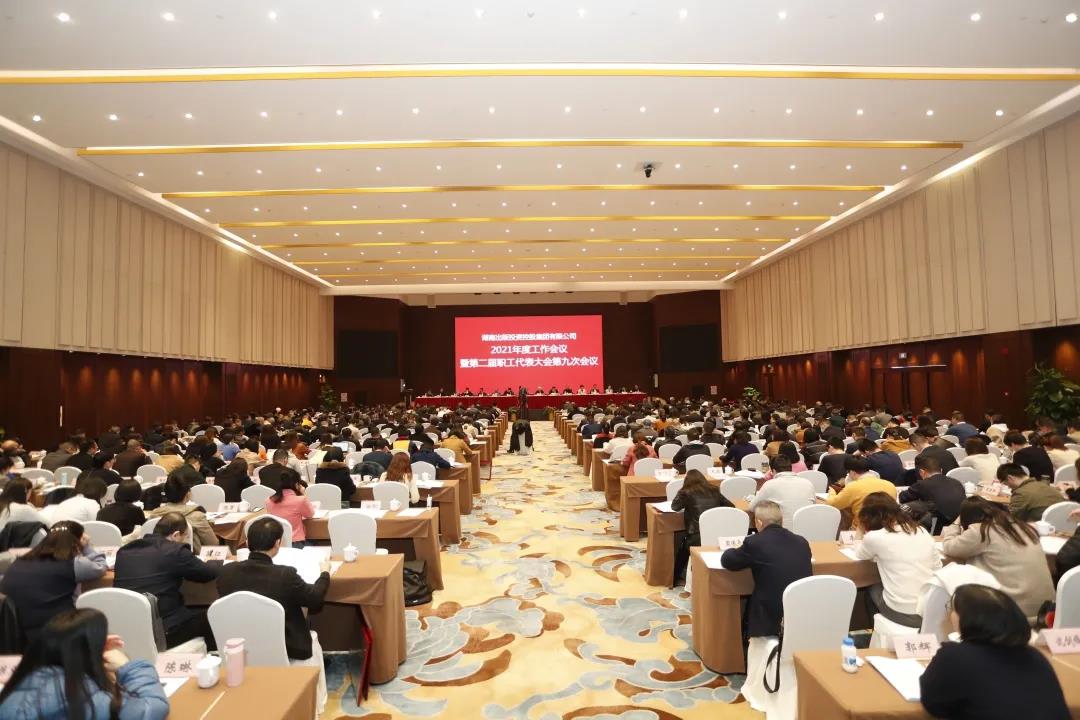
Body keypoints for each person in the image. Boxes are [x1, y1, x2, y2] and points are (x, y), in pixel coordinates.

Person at [216, 516, 330, 710]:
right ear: (278, 543)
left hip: (239, 646)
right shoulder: (285, 575)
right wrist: (324, 573)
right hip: (288, 646)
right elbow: (315, 598)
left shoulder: (226, 572)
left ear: (248, 543)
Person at [919, 585, 1069, 720]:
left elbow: (933, 704)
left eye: (953, 609)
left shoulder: (954, 656)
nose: (950, 614)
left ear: (967, 618)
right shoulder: (1036, 656)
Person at [0, 608, 169, 720]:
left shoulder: (17, 689)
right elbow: (152, 708)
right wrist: (128, 666)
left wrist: (93, 651)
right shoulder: (82, 698)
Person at [113, 512, 220, 649]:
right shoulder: (175, 551)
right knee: (212, 616)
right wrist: (214, 562)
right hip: (164, 630)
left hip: (128, 628)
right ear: (176, 535)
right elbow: (207, 574)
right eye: (185, 537)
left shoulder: (124, 551)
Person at [941, 497, 1054, 618]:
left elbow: (949, 547)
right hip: (1047, 611)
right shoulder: (1023, 527)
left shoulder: (982, 530)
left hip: (1013, 611)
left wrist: (956, 523)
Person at [719, 501, 812, 639]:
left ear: (759, 522)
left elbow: (728, 561)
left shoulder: (755, 543)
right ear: (781, 520)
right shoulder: (802, 541)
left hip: (770, 615)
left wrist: (732, 548)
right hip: (801, 608)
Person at [0, 522, 107, 641]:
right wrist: (86, 546)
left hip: (13, 631)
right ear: (75, 542)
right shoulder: (70, 563)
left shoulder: (20, 561)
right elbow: (100, 566)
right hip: (53, 632)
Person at [856, 493, 940, 626]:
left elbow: (860, 554)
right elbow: (938, 567)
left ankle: (876, 630)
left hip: (903, 613)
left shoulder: (875, 537)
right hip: (931, 611)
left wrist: (859, 532)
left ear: (868, 515)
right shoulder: (921, 531)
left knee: (871, 588)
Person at [670, 469, 732, 579]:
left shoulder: (686, 492)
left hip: (696, 535)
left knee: (682, 549)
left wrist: (682, 490)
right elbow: (731, 506)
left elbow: (674, 507)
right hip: (717, 534)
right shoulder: (714, 490)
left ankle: (674, 578)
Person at [146, 477, 218, 552]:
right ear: (187, 494)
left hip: (156, 555)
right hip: (188, 556)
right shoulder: (197, 516)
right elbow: (213, 543)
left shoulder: (154, 514)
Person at [827, 455, 898, 526]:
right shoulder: (890, 485)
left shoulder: (853, 487)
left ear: (852, 472)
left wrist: (832, 491)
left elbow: (833, 504)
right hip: (889, 526)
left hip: (863, 527)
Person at [899, 454, 966, 529]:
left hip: (940, 523)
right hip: (961, 521)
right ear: (941, 470)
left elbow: (902, 498)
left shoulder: (923, 484)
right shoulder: (956, 482)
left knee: (907, 507)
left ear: (921, 472)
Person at [751, 456, 815, 527]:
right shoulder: (808, 483)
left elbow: (752, 507)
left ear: (773, 471)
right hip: (808, 529)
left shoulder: (770, 484)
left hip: (782, 530)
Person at [266, 468, 315, 547]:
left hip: (276, 544)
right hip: (296, 543)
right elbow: (310, 514)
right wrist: (303, 494)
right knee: (318, 543)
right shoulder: (300, 500)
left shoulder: (269, 501)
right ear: (297, 484)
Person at [999, 462, 1064, 521]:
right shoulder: (1046, 487)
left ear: (1010, 478)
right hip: (1060, 524)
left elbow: (1010, 519)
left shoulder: (1020, 493)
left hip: (1037, 527)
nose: (1008, 487)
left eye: (1006, 484)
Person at [41, 476, 107, 526]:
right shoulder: (92, 503)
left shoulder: (70, 500)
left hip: (54, 532)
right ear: (100, 494)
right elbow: (95, 525)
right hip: (70, 535)